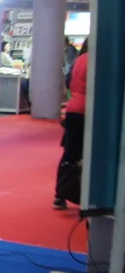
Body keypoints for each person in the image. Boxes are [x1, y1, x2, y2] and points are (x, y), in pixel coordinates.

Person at [55, 38, 88, 210]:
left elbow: (68, 82)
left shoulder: (79, 60)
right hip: (88, 111)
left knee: (69, 154)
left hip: (73, 108)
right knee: (85, 154)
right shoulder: (96, 60)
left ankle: (60, 194)